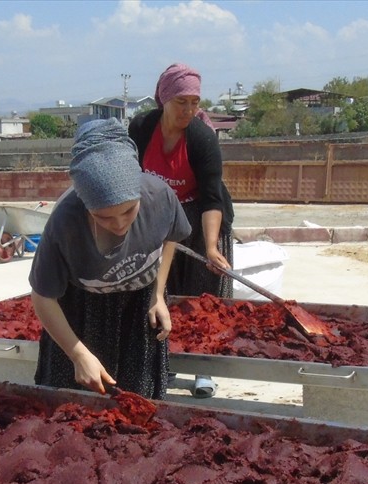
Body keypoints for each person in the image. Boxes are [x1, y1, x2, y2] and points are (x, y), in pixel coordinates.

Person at [29, 118, 191, 400]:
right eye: (103, 217)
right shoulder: (64, 222)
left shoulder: (160, 196)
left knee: (137, 404)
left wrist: (158, 295)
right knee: (73, 407)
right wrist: (77, 354)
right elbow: (43, 297)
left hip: (137, 310)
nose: (118, 224)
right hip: (82, 314)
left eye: (129, 211)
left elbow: (171, 236)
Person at [129, 62, 235, 399]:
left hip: (201, 216)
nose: (189, 110)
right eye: (181, 102)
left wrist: (212, 247)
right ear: (164, 99)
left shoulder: (202, 138)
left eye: (194, 102)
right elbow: (130, 178)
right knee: (161, 293)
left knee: (203, 297)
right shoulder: (143, 127)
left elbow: (212, 197)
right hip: (157, 217)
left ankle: (205, 368)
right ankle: (167, 360)